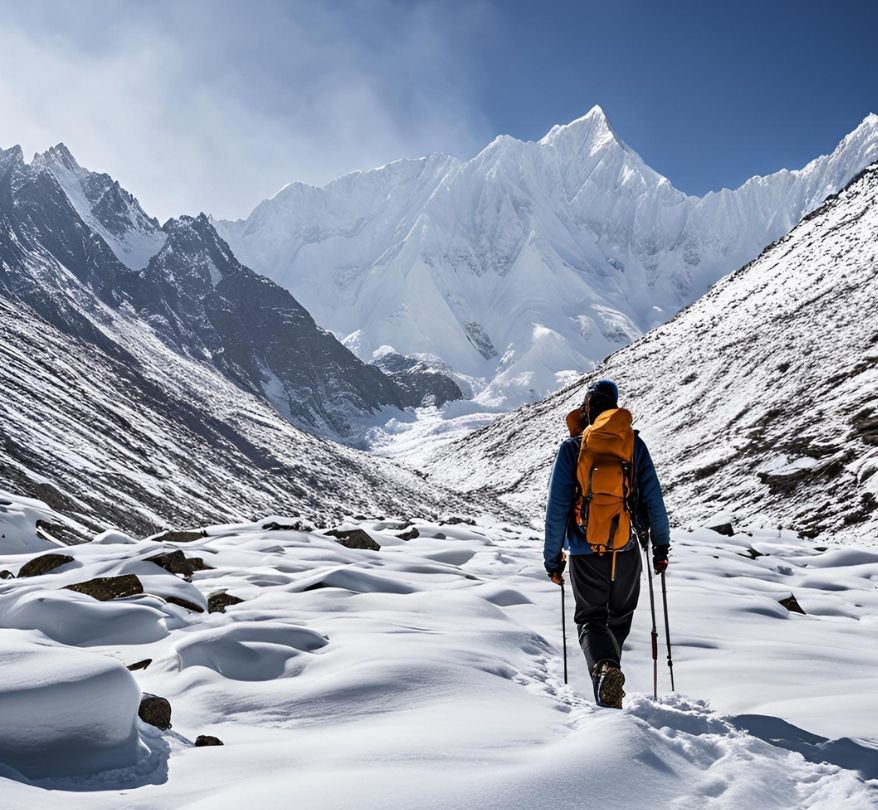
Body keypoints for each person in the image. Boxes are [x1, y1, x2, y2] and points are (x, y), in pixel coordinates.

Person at [543, 379, 670, 708]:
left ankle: (604, 671)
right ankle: (610, 674)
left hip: (586, 555)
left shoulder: (572, 449)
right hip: (627, 551)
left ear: (586, 409)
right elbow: (654, 500)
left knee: (591, 621)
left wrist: (552, 560)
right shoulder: (633, 445)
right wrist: (661, 548)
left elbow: (556, 510)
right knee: (618, 619)